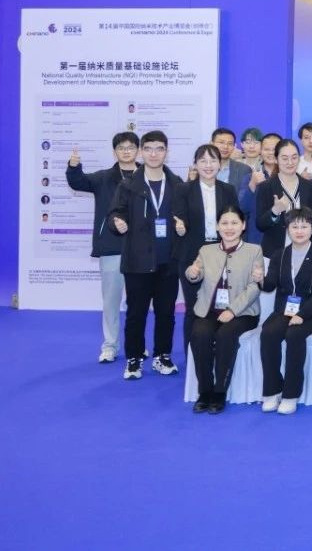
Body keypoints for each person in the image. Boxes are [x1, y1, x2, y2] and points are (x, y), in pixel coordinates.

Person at [109, 130, 183, 381]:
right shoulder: (129, 184)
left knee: (166, 313)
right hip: (137, 261)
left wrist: (184, 226)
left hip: (168, 261)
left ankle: (162, 356)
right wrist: (117, 222)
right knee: (136, 313)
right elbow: (115, 213)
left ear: (166, 152)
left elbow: (185, 216)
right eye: (148, 148)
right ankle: (134, 358)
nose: (153, 154)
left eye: (159, 148)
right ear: (141, 151)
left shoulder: (177, 184)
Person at [66, 131, 140, 363]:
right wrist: (73, 166)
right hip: (112, 246)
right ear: (114, 151)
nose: (126, 151)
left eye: (131, 147)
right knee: (111, 301)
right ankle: (110, 345)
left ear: (138, 150)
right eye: (121, 147)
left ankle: (137, 346)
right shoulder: (104, 177)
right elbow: (78, 182)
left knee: (139, 303)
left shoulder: (148, 175)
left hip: (142, 249)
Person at [184, 205, 263, 414]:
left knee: (226, 335)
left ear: (243, 225)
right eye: (224, 223)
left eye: (234, 223)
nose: (229, 228)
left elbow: (255, 286)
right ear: (217, 227)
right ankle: (204, 391)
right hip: (210, 310)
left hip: (243, 312)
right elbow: (195, 273)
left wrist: (233, 310)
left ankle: (220, 391)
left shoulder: (254, 250)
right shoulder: (206, 250)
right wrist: (192, 273)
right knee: (199, 334)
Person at [259, 208, 312, 415]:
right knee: (269, 332)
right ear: (287, 229)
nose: (299, 231)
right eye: (295, 226)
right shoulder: (279, 255)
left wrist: (302, 315)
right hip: (285, 309)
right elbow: (270, 286)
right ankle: (272, 390)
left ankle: (291, 394)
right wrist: (260, 279)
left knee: (294, 335)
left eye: (304, 226)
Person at [172, 144, 239, 353]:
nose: (208, 165)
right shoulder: (183, 189)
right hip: (192, 255)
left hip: (222, 255)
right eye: (203, 161)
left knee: (221, 306)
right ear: (195, 164)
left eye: (212, 161)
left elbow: (234, 222)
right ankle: (192, 357)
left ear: (220, 164)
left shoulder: (228, 190)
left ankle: (218, 354)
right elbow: (178, 218)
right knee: (194, 308)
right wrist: (180, 228)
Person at [255, 139, 312, 260]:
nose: (290, 162)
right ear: (276, 159)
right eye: (285, 158)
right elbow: (260, 225)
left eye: (294, 157)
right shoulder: (265, 187)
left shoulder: (308, 186)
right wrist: (275, 211)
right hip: (274, 253)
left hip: (304, 253)